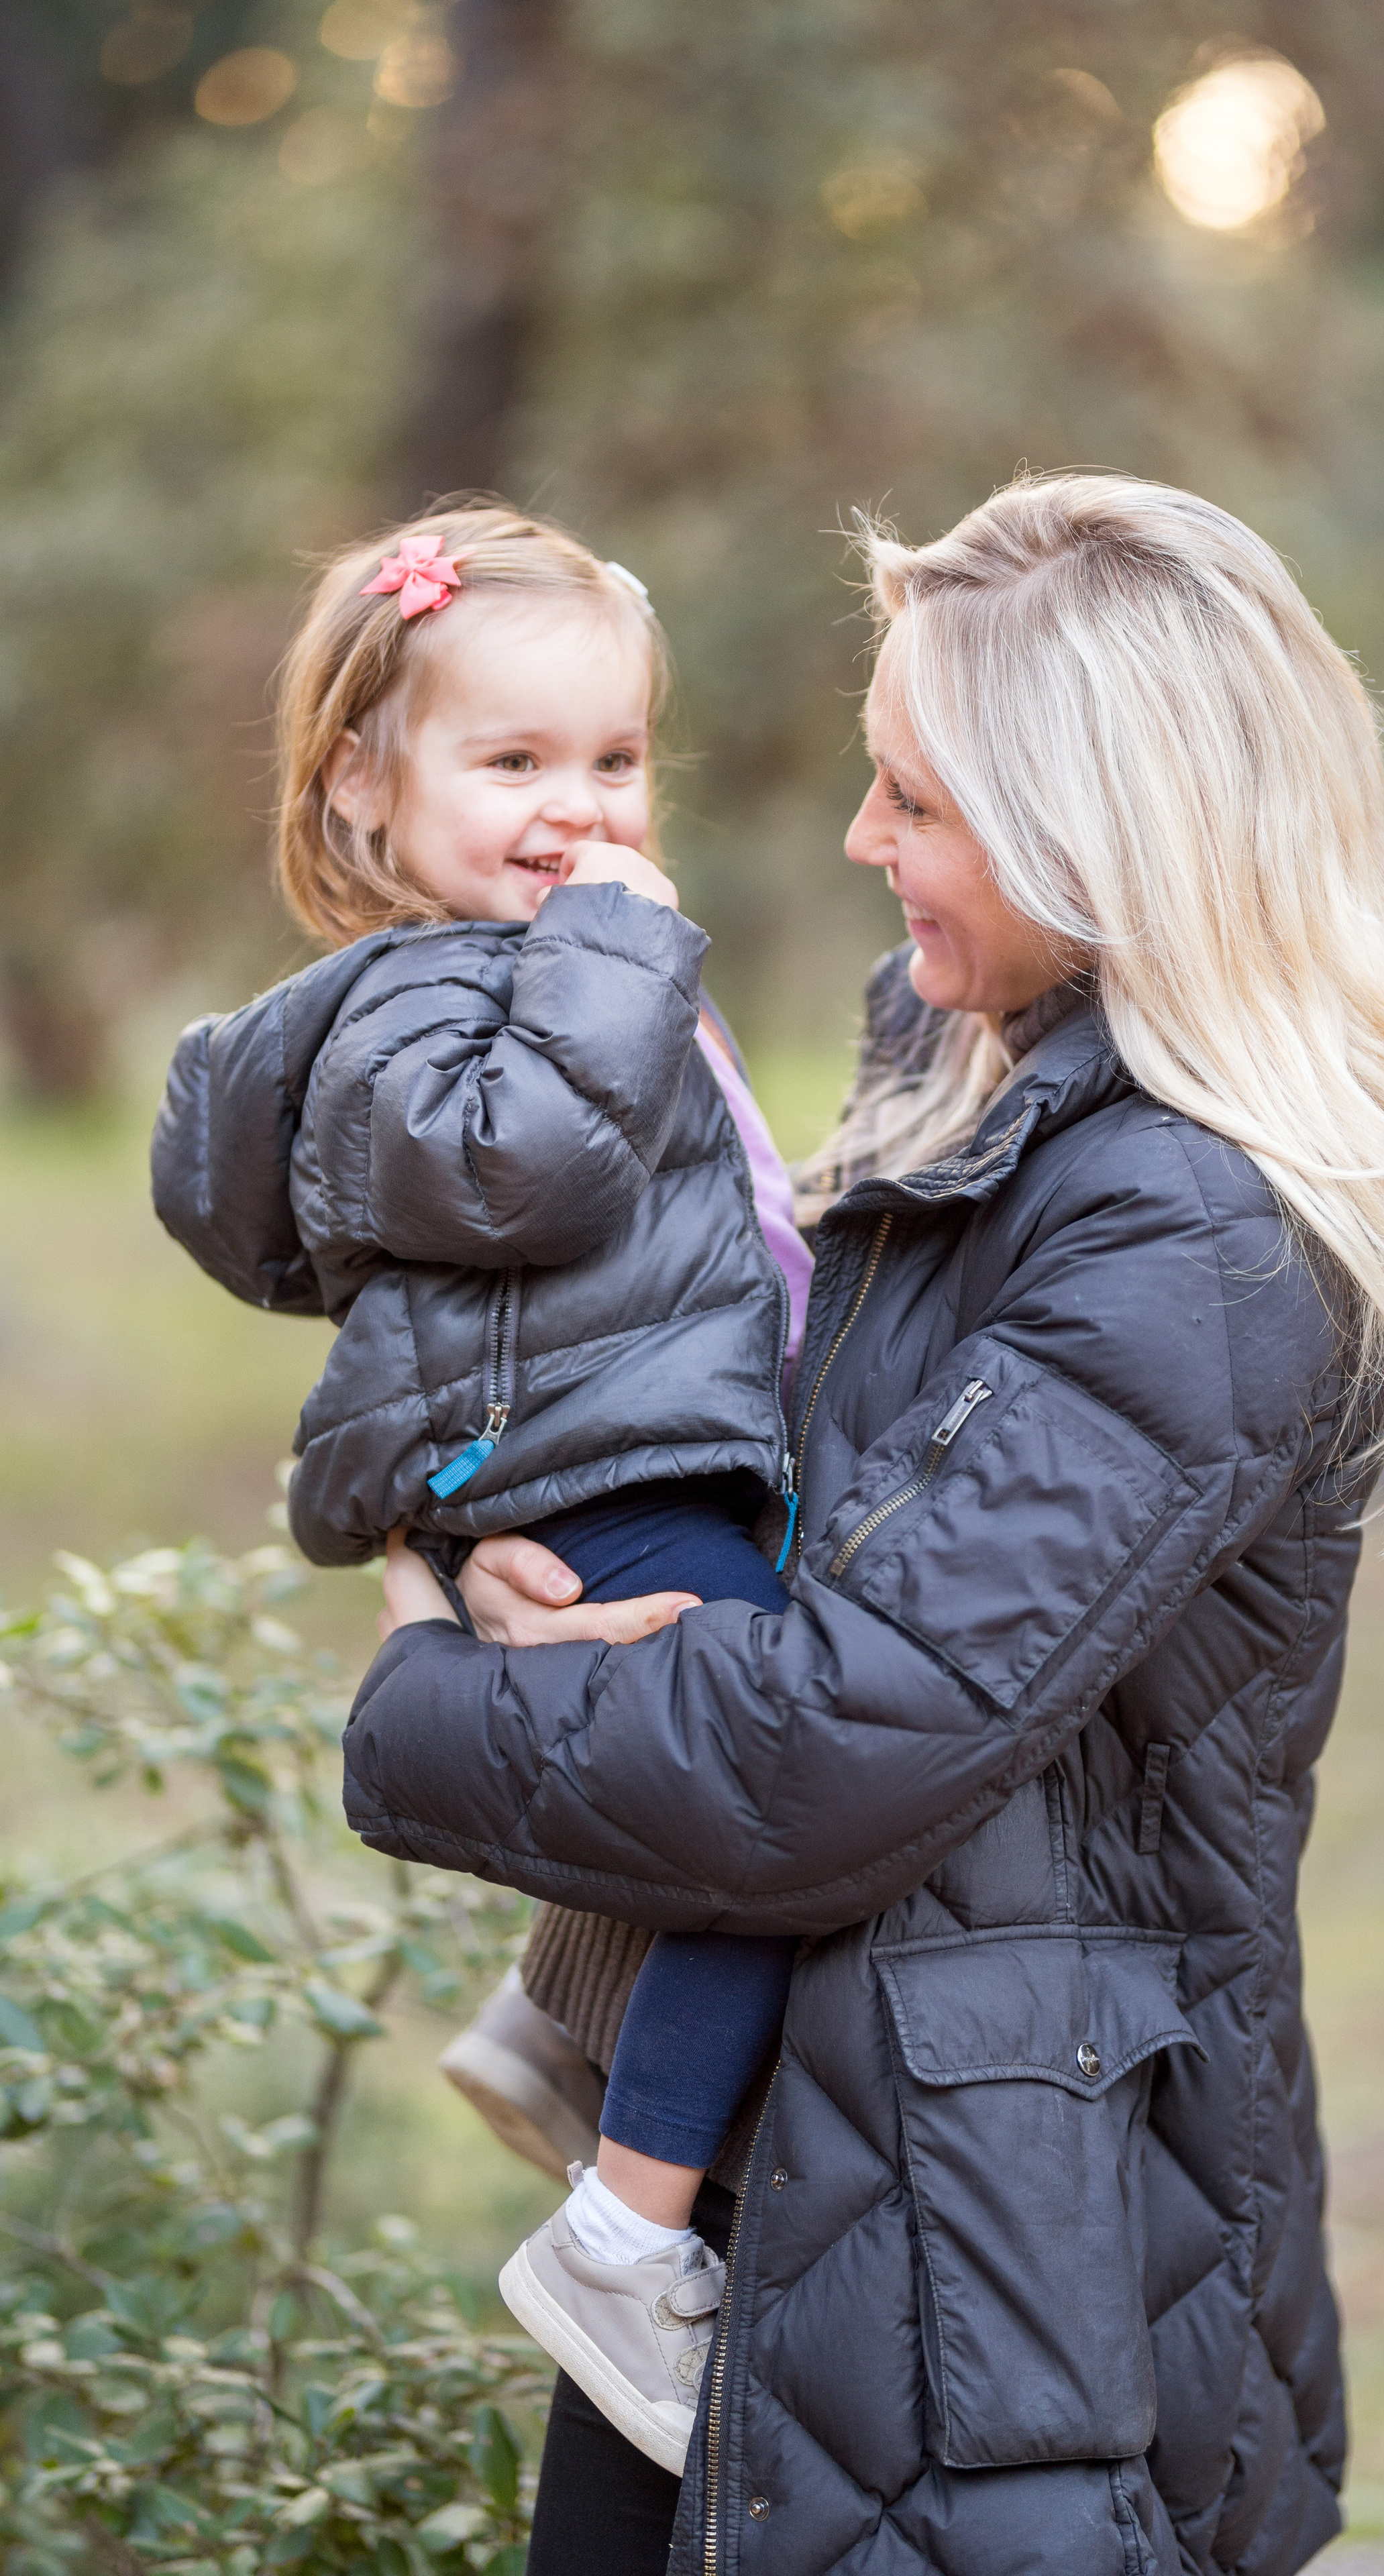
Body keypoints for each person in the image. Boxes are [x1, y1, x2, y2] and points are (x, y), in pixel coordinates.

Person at [350, 473, 1384, 2576]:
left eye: (913, 798)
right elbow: (768, 1504)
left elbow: (828, 1743)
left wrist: (422, 1706)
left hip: (1008, 2291)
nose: (857, 839)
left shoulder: (1191, 1225)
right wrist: (479, 1545)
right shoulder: (987, 1086)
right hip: (826, 2179)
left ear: (1100, 837)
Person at [148, 504, 818, 2476]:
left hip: (637, 1442)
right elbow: (516, 1172)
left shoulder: (545, 966)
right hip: (585, 1469)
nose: (578, 808)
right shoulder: (424, 997)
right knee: (780, 1772)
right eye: (512, 761)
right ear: (364, 782)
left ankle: (558, 2024)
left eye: (613, 758)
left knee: (740, 1771)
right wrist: (616, 944)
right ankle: (628, 2231)